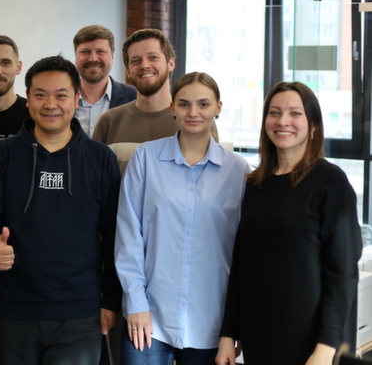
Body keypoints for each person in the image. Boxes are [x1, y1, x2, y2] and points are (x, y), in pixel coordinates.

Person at [0, 55, 121, 365]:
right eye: (40, 95)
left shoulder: (100, 158)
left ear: (76, 99)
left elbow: (115, 235)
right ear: (28, 99)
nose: (50, 104)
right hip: (14, 307)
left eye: (61, 95)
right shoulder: (3, 155)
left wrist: (111, 299)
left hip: (79, 309)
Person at [218, 82, 362, 365]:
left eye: (295, 113)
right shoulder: (256, 184)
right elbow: (241, 265)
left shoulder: (331, 182)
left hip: (313, 344)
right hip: (260, 338)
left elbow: (343, 273)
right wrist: (228, 333)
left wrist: (326, 347)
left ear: (313, 125)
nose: (283, 121)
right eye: (274, 112)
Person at [115, 72, 248, 365]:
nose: (193, 112)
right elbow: (128, 236)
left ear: (218, 107)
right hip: (149, 315)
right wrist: (135, 301)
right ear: (173, 107)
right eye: (185, 104)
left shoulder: (238, 171)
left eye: (203, 104)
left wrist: (234, 324)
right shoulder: (145, 158)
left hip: (211, 320)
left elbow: (243, 253)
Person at [73, 25, 136, 137]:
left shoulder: (135, 97)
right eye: (85, 52)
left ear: (112, 57)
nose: (93, 58)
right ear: (75, 57)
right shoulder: (61, 98)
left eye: (100, 51)